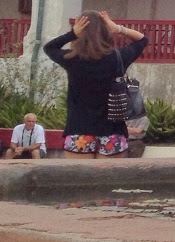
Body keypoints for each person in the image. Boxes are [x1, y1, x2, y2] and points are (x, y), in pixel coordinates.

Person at [43, 10, 148, 158]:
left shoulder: (72, 59)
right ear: (106, 31)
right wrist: (118, 28)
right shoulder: (118, 57)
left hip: (79, 131)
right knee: (107, 180)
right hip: (112, 132)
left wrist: (72, 34)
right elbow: (143, 40)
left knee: (79, 180)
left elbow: (49, 48)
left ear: (80, 32)